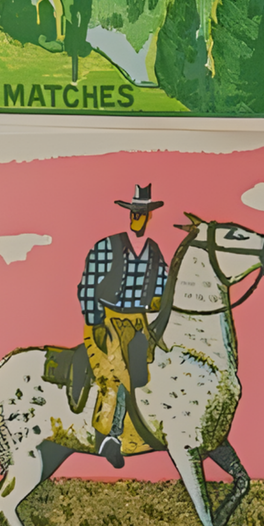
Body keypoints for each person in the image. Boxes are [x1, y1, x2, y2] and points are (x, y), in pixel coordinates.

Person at [78, 184, 169, 467]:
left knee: (147, 376)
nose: (138, 217)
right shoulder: (107, 246)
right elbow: (88, 286)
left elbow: (163, 289)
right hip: (107, 319)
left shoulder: (154, 252)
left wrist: (159, 305)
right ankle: (108, 437)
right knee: (114, 374)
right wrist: (95, 321)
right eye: (134, 212)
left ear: (149, 216)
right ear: (129, 214)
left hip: (139, 322)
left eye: (143, 213)